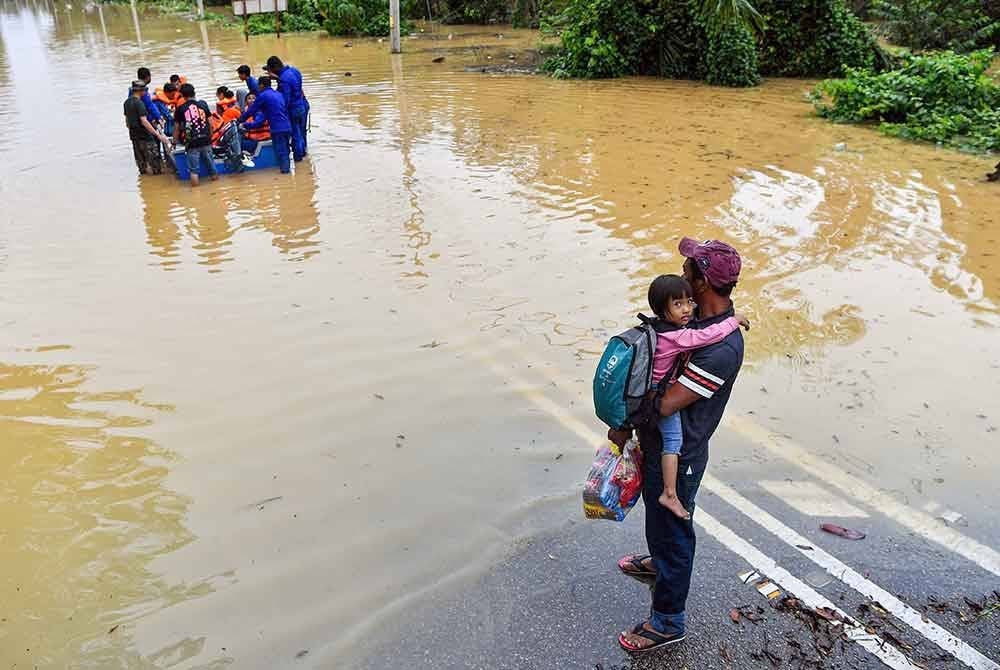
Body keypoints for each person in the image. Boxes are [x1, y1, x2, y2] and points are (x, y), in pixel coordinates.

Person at [613, 238, 745, 655]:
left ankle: (668, 621)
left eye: (688, 270)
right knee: (658, 515)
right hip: (659, 441)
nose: (682, 273)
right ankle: (659, 561)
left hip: (681, 452)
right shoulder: (687, 326)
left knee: (673, 526)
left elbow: (667, 403)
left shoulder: (721, 348)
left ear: (702, 282)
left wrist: (627, 411)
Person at [644, 274, 749, 520]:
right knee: (672, 442)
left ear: (702, 283)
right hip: (661, 402)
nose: (686, 309)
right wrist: (733, 321)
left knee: (668, 530)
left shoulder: (659, 328)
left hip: (656, 401)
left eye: (688, 302)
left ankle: (664, 558)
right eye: (678, 304)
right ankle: (669, 494)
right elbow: (667, 407)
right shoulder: (680, 335)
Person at [239, 75, 292, 174]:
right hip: (288, 126)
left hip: (277, 129)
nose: (258, 87)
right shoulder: (278, 94)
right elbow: (264, 116)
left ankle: (286, 176)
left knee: (281, 152)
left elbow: (252, 110)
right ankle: (287, 172)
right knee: (286, 151)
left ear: (262, 85)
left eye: (259, 85)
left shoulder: (263, 96)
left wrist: (241, 121)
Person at [173, 83, 218, 187]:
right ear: (194, 93)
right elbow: (211, 125)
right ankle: (216, 188)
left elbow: (176, 129)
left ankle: (196, 193)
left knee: (194, 171)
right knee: (212, 168)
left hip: (192, 142)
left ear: (183, 96)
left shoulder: (180, 109)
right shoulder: (203, 105)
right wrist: (209, 138)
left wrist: (174, 142)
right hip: (206, 140)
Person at [266, 55, 308, 161]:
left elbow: (286, 99)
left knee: (295, 135)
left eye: (270, 70)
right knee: (302, 132)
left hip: (293, 109)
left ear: (274, 68)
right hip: (301, 105)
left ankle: (298, 159)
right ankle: (303, 154)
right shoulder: (294, 71)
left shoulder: (284, 79)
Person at [124, 79, 169, 175]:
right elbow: (144, 121)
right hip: (145, 136)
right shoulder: (140, 103)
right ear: (141, 91)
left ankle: (145, 182)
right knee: (155, 163)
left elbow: (127, 121)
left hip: (134, 136)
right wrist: (158, 135)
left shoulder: (127, 102)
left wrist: (132, 129)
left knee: (141, 162)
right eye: (144, 90)